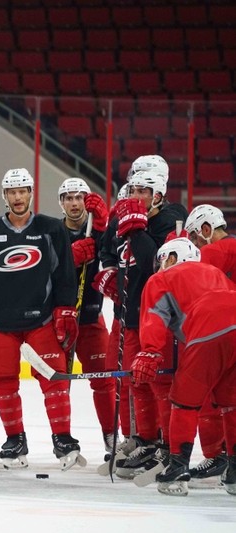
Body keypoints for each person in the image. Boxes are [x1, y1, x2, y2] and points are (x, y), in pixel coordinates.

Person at [0, 168, 82, 470]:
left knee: (53, 379)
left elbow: (64, 273)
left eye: (23, 191)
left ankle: (63, 438)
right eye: (12, 192)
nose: (18, 197)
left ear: (31, 193)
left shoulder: (51, 229)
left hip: (40, 319)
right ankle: (15, 438)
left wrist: (65, 308)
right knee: (3, 382)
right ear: (5, 196)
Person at [97, 163, 188, 479]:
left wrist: (136, 228)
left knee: (159, 383)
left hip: (159, 315)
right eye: (133, 190)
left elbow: (155, 264)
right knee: (136, 383)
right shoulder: (125, 218)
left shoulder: (168, 221)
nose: (136, 197)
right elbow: (109, 248)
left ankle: (167, 445)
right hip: (130, 313)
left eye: (143, 192)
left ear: (158, 194)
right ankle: (146, 441)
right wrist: (107, 270)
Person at [130, 238, 236, 495]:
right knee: (231, 402)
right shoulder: (214, 272)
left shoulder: (162, 278)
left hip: (207, 329)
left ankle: (177, 470)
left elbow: (155, 315)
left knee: (185, 401)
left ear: (172, 257)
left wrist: (150, 352)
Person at [57, 177, 116, 459]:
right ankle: (62, 438)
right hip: (58, 319)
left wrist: (104, 225)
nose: (74, 202)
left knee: (104, 379)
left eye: (79, 197)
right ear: (61, 203)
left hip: (91, 318)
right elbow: (42, 271)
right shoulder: (52, 232)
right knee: (58, 382)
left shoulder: (97, 231)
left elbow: (115, 253)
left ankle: (110, 434)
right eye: (68, 198)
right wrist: (69, 258)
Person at [181, 204, 235, 479]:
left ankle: (217, 456)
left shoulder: (217, 249)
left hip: (225, 335)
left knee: (206, 396)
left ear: (206, 229)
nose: (194, 245)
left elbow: (182, 277)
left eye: (194, 238)